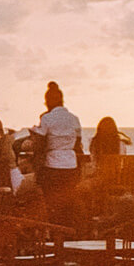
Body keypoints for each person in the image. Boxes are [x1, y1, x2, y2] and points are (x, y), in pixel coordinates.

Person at [30, 81, 82, 225]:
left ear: (47, 102)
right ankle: (68, 237)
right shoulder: (74, 119)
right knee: (68, 206)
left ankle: (55, 237)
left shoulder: (47, 118)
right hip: (71, 166)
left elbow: (40, 145)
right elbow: (78, 144)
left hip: (53, 166)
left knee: (53, 205)